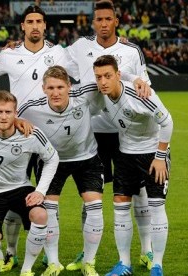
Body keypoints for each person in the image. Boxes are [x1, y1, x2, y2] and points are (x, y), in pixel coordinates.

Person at [0, 5, 69, 272]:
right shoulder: (8, 54)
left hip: (45, 136)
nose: (35, 26)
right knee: (13, 194)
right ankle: (10, 253)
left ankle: (51, 259)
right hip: (15, 135)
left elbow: (81, 76)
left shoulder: (58, 53)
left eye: (39, 21)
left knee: (47, 199)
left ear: (45, 26)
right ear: (23, 26)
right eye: (30, 21)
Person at [66, 0, 153, 272]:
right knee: (90, 193)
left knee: (136, 191)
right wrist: (14, 46)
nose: (103, 23)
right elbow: (49, 58)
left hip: (126, 133)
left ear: (116, 21)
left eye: (108, 19)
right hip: (92, 132)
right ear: (93, 22)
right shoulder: (80, 47)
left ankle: (147, 250)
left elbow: (144, 85)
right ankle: (85, 250)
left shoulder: (130, 50)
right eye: (99, 19)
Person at [17, 66, 105, 276]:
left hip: (87, 158)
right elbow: (7, 114)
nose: (55, 92)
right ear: (43, 89)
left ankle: (89, 262)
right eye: (51, 88)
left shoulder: (83, 97)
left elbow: (108, 84)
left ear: (69, 87)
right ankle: (53, 263)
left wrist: (137, 79)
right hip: (51, 162)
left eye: (60, 87)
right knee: (49, 210)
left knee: (95, 207)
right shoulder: (31, 107)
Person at [93, 55, 172, 276]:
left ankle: (157, 265)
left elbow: (167, 121)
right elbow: (118, 74)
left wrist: (160, 156)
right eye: (99, 77)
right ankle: (123, 264)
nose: (103, 81)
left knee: (156, 206)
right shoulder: (103, 92)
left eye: (108, 76)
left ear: (117, 75)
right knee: (119, 204)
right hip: (125, 155)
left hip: (152, 154)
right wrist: (133, 75)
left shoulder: (140, 94)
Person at [0, 91, 59, 276]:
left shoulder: (30, 133)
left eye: (8, 112)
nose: (3, 116)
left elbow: (52, 157)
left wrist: (40, 191)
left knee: (40, 215)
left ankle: (26, 269)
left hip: (20, 188)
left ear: (16, 113)